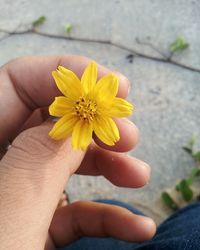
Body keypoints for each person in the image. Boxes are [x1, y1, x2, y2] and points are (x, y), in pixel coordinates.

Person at [0, 55, 199, 250]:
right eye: (83, 108)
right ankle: (47, 210)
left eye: (87, 108)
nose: (85, 109)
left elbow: (117, 107)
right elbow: (62, 104)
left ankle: (46, 210)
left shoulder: (97, 116)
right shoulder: (70, 104)